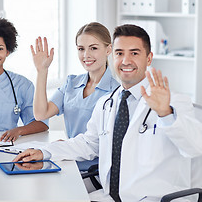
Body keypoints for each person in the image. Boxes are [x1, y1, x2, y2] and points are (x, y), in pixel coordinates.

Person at [14, 24, 202, 201]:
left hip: (154, 199)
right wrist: (43, 152)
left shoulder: (174, 101)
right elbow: (88, 144)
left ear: (149, 58)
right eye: (120, 53)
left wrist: (165, 114)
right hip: (110, 196)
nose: (126, 60)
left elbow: (194, 146)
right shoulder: (107, 103)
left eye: (134, 53)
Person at [31, 22, 119, 170]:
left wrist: (64, 147)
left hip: (93, 171)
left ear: (108, 49)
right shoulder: (71, 83)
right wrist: (42, 71)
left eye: (94, 48)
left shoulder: (115, 92)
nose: (86, 55)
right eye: (81, 49)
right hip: (66, 159)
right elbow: (41, 114)